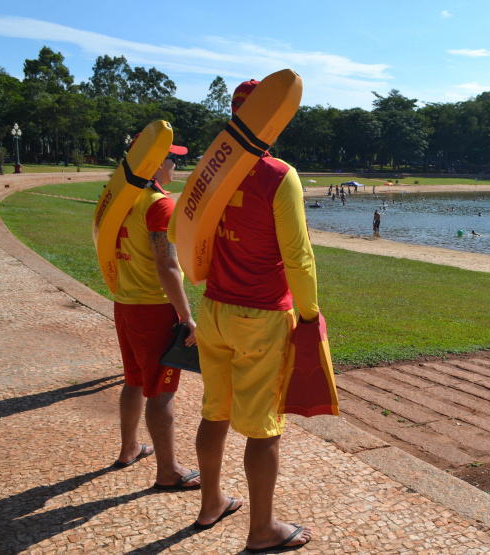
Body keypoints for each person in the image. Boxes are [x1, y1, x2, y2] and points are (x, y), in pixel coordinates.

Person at [193, 80, 314, 552]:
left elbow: (192, 233)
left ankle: (210, 503)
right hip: (262, 315)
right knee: (263, 428)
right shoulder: (279, 174)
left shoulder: (210, 170)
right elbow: (299, 257)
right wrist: (309, 314)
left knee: (214, 412)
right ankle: (262, 530)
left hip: (214, 309)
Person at [112, 135, 201, 492]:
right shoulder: (158, 205)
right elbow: (167, 266)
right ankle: (169, 471)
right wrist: (186, 316)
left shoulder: (122, 199)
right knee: (161, 391)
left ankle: (129, 447)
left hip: (125, 303)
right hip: (153, 309)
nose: (176, 164)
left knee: (133, 380)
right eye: (172, 159)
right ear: (158, 164)